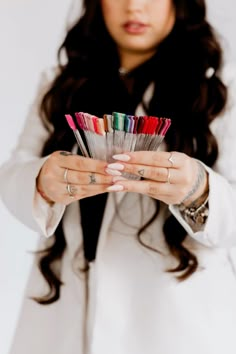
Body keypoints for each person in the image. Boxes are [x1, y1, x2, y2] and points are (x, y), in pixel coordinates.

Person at [1, 0, 236, 353]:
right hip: (62, 318)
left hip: (175, 323)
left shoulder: (222, 90)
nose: (134, 7)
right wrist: (40, 181)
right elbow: (14, 172)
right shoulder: (60, 84)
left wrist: (198, 189)